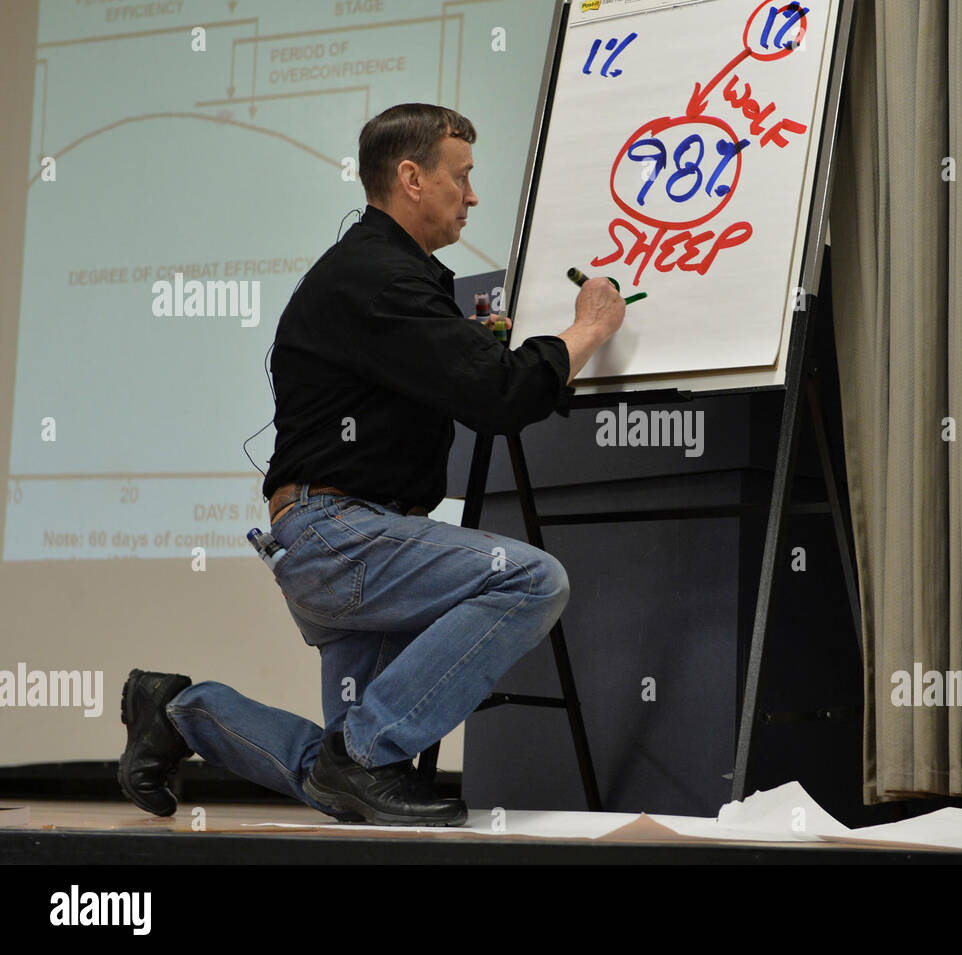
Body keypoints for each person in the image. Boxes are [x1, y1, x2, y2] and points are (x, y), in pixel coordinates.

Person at [117, 103, 626, 826]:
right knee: (530, 580)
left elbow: (462, 377)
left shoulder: (383, 276)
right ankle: (358, 753)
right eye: (461, 176)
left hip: (340, 539)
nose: (473, 196)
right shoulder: (382, 279)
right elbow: (500, 395)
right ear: (411, 178)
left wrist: (474, 345)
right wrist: (589, 328)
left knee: (341, 777)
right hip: (343, 537)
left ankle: (179, 710)